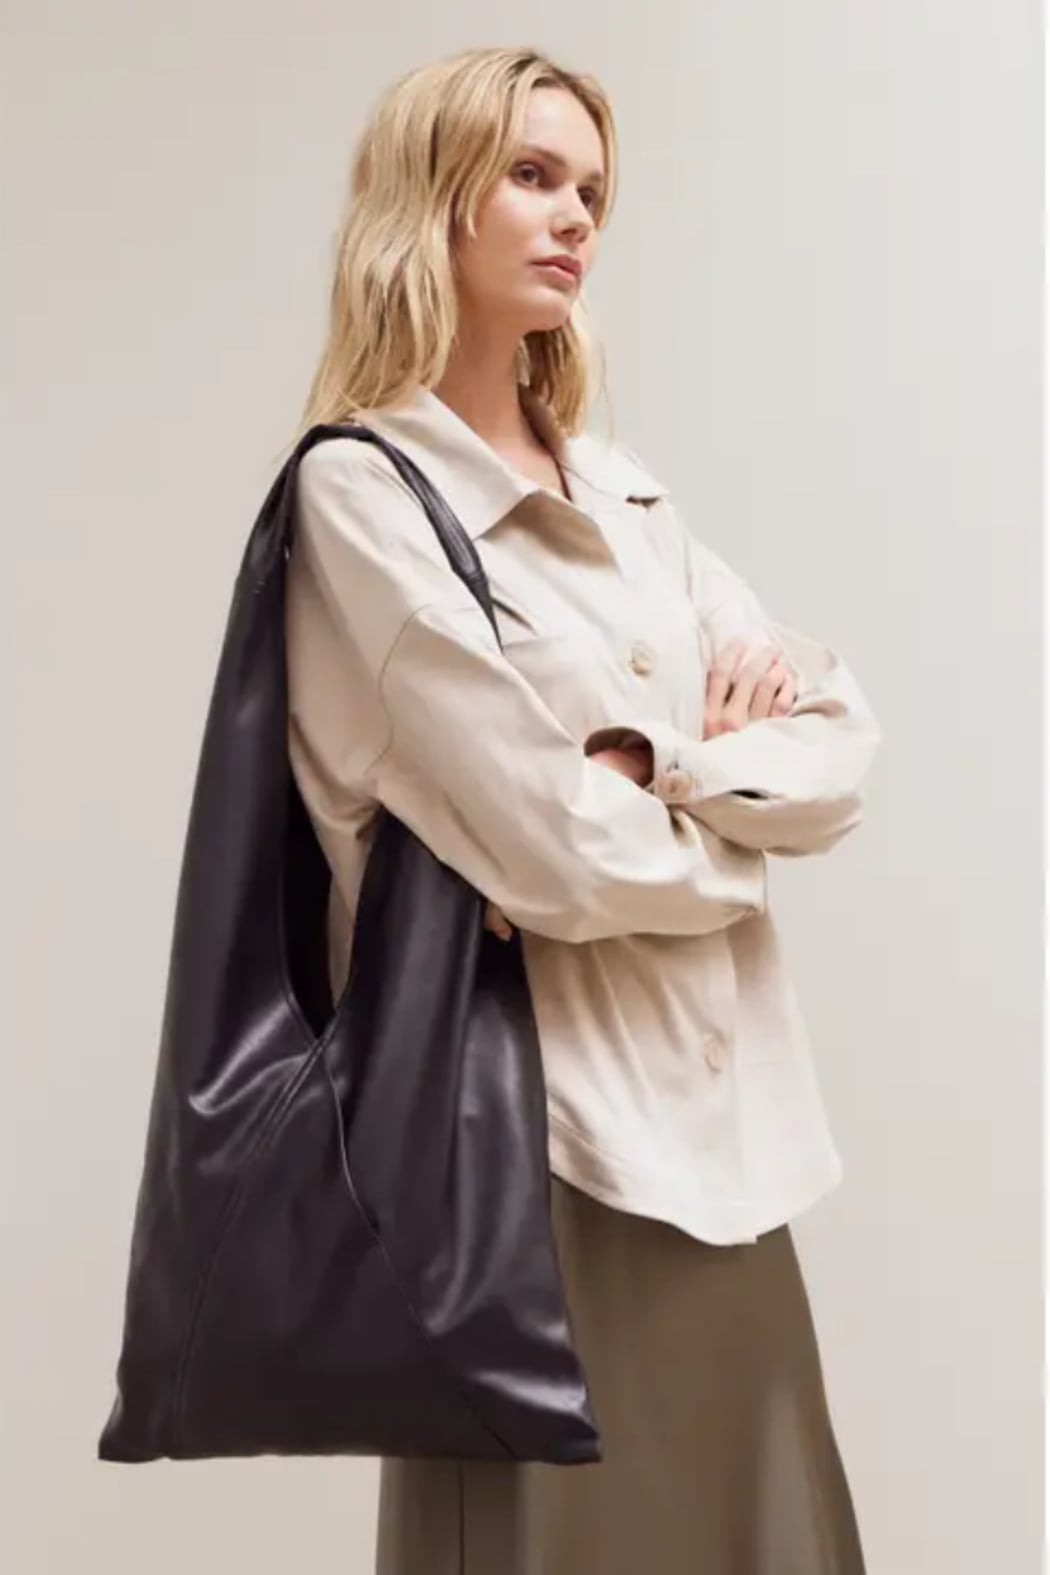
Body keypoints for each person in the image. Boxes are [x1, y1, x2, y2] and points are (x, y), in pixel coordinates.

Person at [285, 42, 880, 1575]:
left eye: (592, 192)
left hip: (725, 1144)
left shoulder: (623, 495)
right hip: (537, 1157)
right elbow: (560, 854)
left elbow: (835, 749)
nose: (573, 220)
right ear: (431, 198)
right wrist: (722, 833)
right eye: (532, 176)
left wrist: (656, 771)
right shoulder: (360, 498)